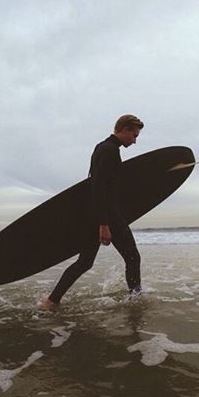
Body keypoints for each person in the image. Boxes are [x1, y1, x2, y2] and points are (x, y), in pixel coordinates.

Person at [38, 114, 144, 309]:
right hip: (107, 215)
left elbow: (97, 184)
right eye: (134, 135)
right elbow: (98, 186)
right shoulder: (110, 150)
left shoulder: (102, 147)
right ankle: (136, 300)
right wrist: (103, 224)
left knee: (85, 262)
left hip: (95, 214)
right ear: (125, 129)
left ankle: (51, 301)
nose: (135, 140)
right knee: (132, 257)